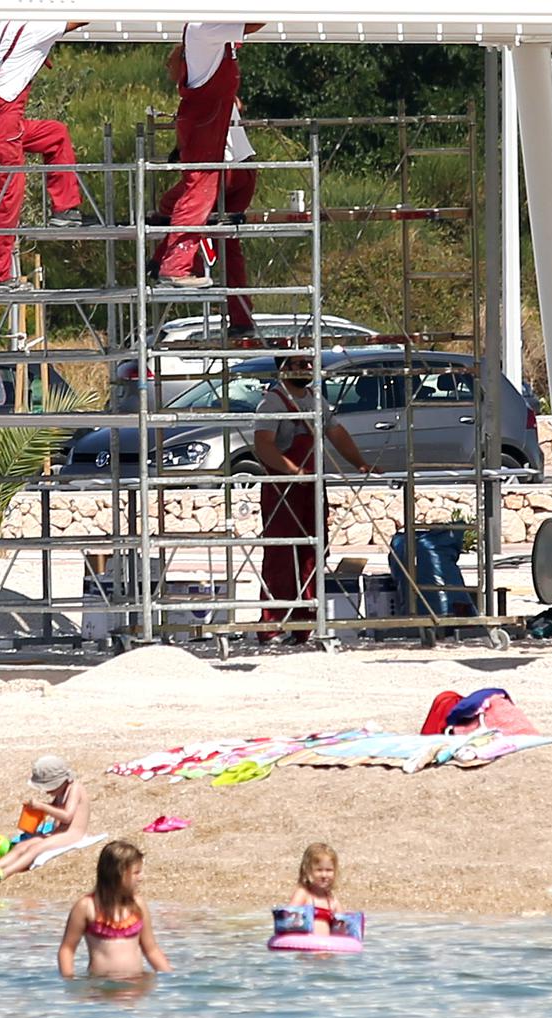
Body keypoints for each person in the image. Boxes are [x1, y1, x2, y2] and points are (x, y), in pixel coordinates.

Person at [251, 354, 378, 643]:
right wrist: (292, 471)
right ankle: (274, 622)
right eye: (298, 364)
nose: (305, 368)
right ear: (283, 369)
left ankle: (306, 621)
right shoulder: (272, 403)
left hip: (311, 486)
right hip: (283, 488)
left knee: (313, 552)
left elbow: (335, 432)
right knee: (281, 554)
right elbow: (264, 445)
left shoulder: (316, 400)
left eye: (308, 363)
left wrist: (359, 462)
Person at [0, 20, 90, 291]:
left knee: (55, 134)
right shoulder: (38, 25)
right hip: (3, 120)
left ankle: (65, 209)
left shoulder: (7, 23)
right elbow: (84, 15)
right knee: (7, 196)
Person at [153, 22, 264, 289]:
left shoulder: (205, 33)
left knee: (187, 197)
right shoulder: (209, 42)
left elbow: (253, 23)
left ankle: (171, 263)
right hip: (238, 168)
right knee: (217, 226)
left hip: (230, 167)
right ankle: (172, 263)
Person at [0, 755, 91, 884]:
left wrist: (42, 806)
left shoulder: (75, 788)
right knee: (21, 845)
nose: (46, 791)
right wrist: (36, 810)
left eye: (48, 787)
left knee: (35, 848)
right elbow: (54, 808)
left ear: (60, 781)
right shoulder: (61, 791)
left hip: (73, 834)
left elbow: (67, 816)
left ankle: (3, 874)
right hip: (59, 832)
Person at [58, 840, 172, 979]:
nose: (141, 878)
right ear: (118, 873)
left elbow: (151, 949)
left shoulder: (137, 904)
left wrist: (170, 978)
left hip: (136, 984)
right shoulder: (86, 906)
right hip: (101, 985)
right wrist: (69, 980)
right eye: (136, 873)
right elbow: (67, 948)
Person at [287, 842, 343, 936]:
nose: (324, 875)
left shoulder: (331, 899)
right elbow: (288, 916)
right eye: (319, 870)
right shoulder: (303, 894)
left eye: (329, 870)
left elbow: (342, 921)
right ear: (308, 870)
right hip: (307, 948)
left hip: (327, 948)